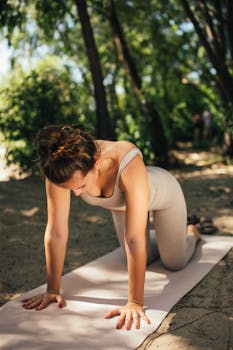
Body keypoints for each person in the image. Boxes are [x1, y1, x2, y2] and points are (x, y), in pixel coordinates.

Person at [22, 125, 201, 330]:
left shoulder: (124, 157)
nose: (77, 194)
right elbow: (56, 232)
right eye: (71, 189)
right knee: (141, 258)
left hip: (165, 195)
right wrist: (53, 289)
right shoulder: (60, 167)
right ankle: (164, 235)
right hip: (125, 207)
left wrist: (134, 302)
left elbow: (134, 239)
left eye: (81, 186)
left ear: (97, 164)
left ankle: (190, 231)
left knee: (173, 262)